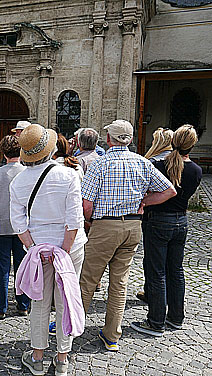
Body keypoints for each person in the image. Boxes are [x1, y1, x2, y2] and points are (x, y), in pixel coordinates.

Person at [80, 119, 176, 352]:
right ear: (130, 139)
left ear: (109, 139)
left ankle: (71, 325)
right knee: (119, 282)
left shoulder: (100, 165)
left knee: (88, 279)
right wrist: (144, 201)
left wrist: (90, 222)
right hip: (133, 227)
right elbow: (169, 191)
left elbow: (86, 204)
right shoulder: (142, 163)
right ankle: (112, 334)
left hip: (105, 226)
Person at [10, 124, 87, 376]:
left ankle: (37, 357)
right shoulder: (69, 175)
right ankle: (62, 359)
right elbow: (74, 220)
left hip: (39, 250)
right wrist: (63, 252)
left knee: (39, 303)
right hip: (69, 248)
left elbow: (18, 223)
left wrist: (34, 248)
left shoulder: (18, 181)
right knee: (66, 301)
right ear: (50, 148)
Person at [130, 125, 202, 337]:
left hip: (158, 221)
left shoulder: (160, 166)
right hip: (181, 222)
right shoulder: (196, 171)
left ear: (173, 141)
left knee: (157, 272)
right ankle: (176, 317)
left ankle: (156, 321)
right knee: (176, 271)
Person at [0, 135, 30, 320]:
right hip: (23, 228)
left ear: (3, 152)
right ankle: (23, 304)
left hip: (1, 226)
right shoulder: (28, 172)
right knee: (23, 267)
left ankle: (0, 306)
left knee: (2, 268)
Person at [136, 127, 175, 303]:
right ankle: (173, 307)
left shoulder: (152, 162)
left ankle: (153, 297)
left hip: (155, 216)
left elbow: (143, 190)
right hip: (178, 216)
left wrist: (143, 202)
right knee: (173, 265)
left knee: (153, 262)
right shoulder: (180, 162)